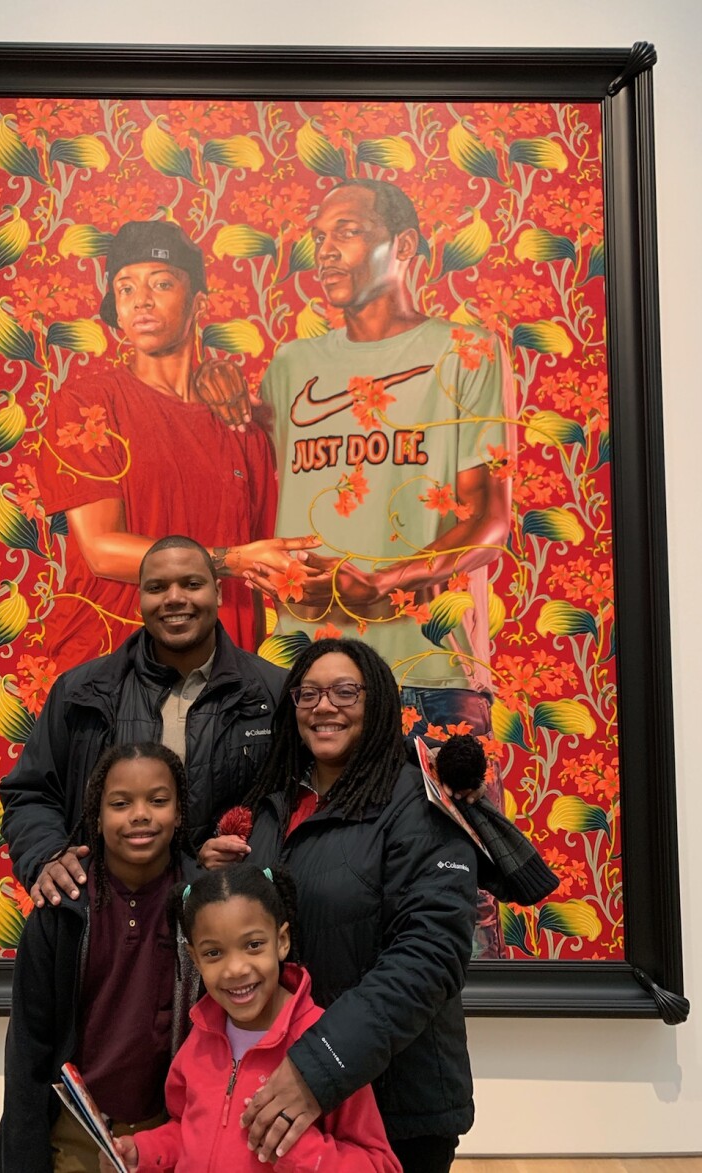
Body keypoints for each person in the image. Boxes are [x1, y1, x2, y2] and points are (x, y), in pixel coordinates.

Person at [249, 178, 517, 958]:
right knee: (298, 908)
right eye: (317, 231)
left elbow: (489, 517)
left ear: (401, 246)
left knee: (455, 910)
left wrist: (392, 580)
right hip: (300, 676)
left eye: (347, 228)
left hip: (428, 668)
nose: (324, 246)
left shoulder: (463, 351)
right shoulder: (290, 365)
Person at [200, 638, 478, 1173]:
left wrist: (319, 1066)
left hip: (393, 1103)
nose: (324, 706)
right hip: (285, 1096)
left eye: (346, 691)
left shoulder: (420, 804)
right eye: (308, 693)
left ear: (376, 705)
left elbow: (429, 955)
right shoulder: (271, 804)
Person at [37, 218, 316, 671]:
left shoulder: (241, 423)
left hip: (223, 669)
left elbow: (271, 563)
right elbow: (103, 549)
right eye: (125, 288)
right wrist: (233, 559)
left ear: (198, 301)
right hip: (113, 667)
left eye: (161, 283)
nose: (140, 301)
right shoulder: (88, 405)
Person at [0, 536, 285, 907]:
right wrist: (47, 854)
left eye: (192, 584)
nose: (174, 598)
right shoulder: (83, 691)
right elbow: (31, 793)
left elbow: (296, 805)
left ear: (217, 592)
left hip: (232, 921)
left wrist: (235, 863)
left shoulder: (273, 692)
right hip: (109, 917)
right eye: (157, 587)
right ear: (140, 599)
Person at [102, 862, 400, 1173]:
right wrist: (145, 1152)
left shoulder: (325, 1044)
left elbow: (379, 1164)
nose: (235, 969)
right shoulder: (200, 1036)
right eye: (214, 953)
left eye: (253, 945)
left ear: (281, 941)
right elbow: (187, 1129)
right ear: (194, 958)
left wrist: (295, 1151)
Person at [0, 742, 197, 1173]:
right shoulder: (61, 910)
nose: (140, 814)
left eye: (158, 801)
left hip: (173, 1128)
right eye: (120, 803)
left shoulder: (204, 904)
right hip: (77, 1128)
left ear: (179, 812)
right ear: (96, 817)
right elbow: (28, 1048)